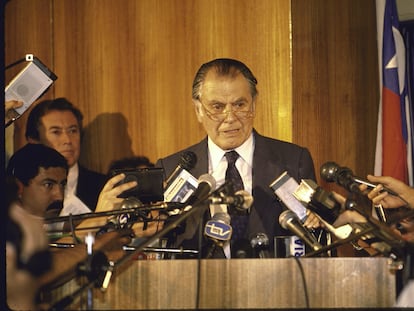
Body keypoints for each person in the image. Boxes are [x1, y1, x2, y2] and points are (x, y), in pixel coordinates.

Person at [156, 58, 319, 258]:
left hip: (276, 285)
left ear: (254, 103)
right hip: (200, 286)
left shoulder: (293, 161)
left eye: (240, 104)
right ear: (198, 110)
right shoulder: (174, 169)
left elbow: (316, 239)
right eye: (217, 107)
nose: (230, 117)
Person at [25, 97, 107, 214]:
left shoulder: (104, 187)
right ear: (34, 140)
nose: (67, 140)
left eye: (73, 131)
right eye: (56, 132)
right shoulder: (20, 190)